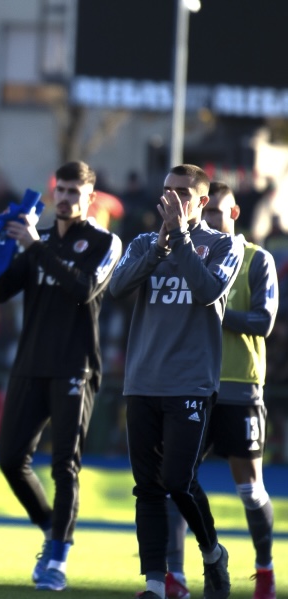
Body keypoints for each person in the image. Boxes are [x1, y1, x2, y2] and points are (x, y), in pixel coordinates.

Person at [0, 161, 122, 591]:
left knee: (65, 465)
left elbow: (83, 289)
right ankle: (49, 527)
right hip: (30, 364)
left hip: (74, 367)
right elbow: (0, 291)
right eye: (59, 190)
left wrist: (34, 247)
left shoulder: (104, 242)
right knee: (10, 460)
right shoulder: (37, 238)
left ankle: (59, 556)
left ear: (89, 198)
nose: (63, 199)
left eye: (72, 192)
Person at [109, 164, 244, 599]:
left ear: (202, 202)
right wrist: (161, 245)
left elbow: (207, 291)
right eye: (167, 191)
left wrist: (182, 238)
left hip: (190, 383)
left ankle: (212, 554)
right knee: (147, 486)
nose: (172, 199)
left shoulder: (225, 245)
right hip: (143, 379)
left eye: (183, 193)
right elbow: (116, 287)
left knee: (178, 480)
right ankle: (155, 583)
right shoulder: (147, 242)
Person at [164, 182, 278, 599]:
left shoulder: (256, 260)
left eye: (216, 213)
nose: (209, 221)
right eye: (204, 214)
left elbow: (263, 322)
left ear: (232, 214)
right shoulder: (188, 257)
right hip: (194, 383)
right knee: (177, 480)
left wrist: (214, 304)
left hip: (241, 386)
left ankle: (264, 569)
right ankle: (175, 577)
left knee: (249, 488)